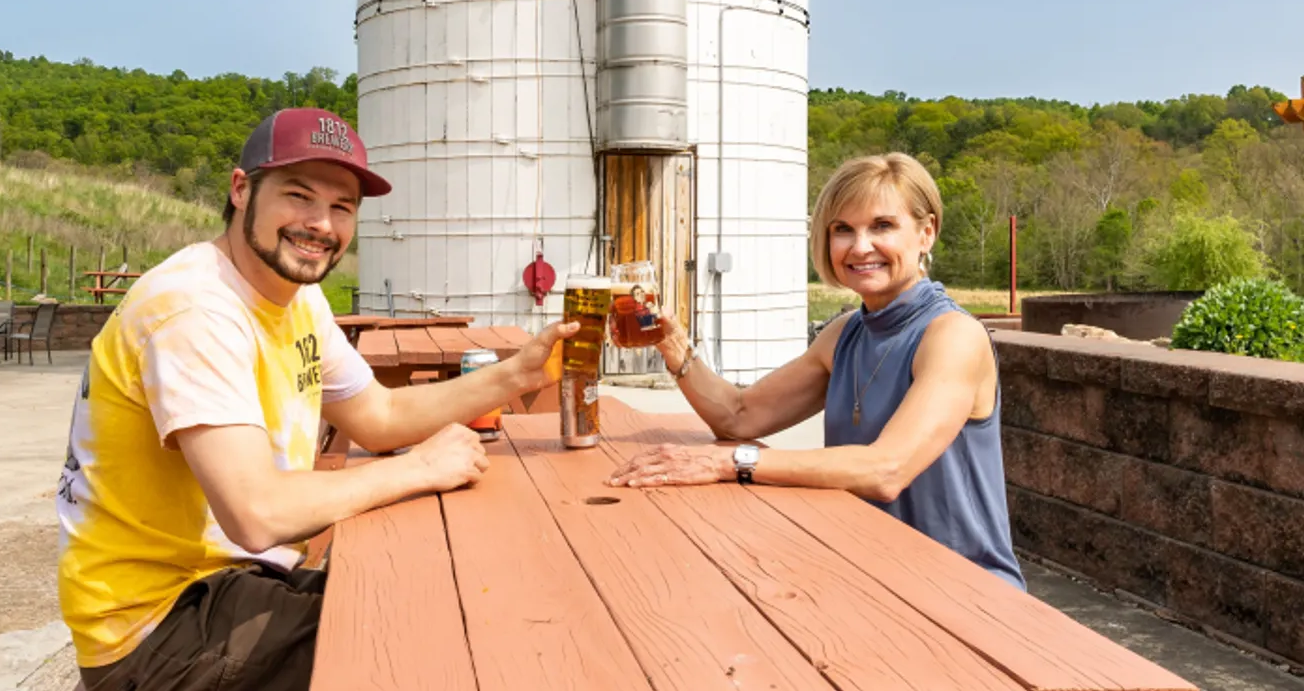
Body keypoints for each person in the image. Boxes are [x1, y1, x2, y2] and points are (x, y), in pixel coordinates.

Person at [57, 107, 578, 691]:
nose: (320, 224)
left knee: (444, 595)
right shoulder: (193, 309)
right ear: (240, 189)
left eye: (341, 207)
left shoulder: (295, 299)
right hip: (156, 629)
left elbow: (377, 417)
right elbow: (257, 514)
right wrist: (420, 469)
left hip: (237, 583)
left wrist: (517, 374)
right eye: (298, 196)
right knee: (434, 650)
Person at [607, 152, 1025, 589]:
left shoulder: (953, 335)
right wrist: (672, 345)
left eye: (882, 226)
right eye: (842, 229)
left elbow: (886, 469)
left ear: (926, 233)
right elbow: (741, 415)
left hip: (966, 590)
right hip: (873, 575)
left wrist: (733, 461)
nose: (860, 246)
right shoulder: (846, 332)